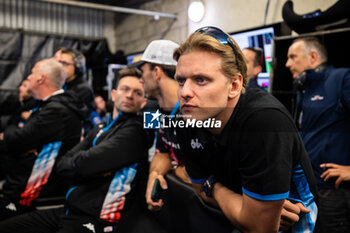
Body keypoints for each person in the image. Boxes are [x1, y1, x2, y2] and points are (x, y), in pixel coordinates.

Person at [173, 26, 318, 233]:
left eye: (201, 80)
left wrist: (212, 185)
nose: (185, 92)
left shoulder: (264, 122)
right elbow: (199, 189)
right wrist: (228, 195)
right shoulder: (185, 117)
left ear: (234, 86)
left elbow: (259, 227)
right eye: (181, 80)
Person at [0, 68, 162, 233]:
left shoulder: (136, 132)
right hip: (69, 209)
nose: (129, 95)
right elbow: (63, 164)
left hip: (96, 219)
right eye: (125, 89)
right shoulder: (102, 127)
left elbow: (84, 165)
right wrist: (87, 167)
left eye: (137, 92)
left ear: (143, 102)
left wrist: (85, 166)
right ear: (113, 94)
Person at [0, 59, 87, 220]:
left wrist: (10, 132)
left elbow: (14, 142)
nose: (29, 77)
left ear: (41, 79)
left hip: (32, 194)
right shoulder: (49, 106)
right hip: (26, 186)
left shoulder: (55, 111)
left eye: (32, 73)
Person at [285, 36, 350, 232]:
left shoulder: (341, 79)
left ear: (313, 57)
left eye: (293, 57)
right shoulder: (304, 88)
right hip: (307, 189)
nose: (287, 64)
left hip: (333, 192)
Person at [136, 40, 191, 213]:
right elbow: (162, 153)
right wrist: (155, 174)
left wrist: (172, 168)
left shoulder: (192, 110)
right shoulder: (160, 110)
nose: (141, 79)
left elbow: (195, 175)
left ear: (157, 72)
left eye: (143, 71)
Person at [53, 48, 95, 131]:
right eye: (59, 62)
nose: (60, 67)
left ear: (77, 66)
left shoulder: (83, 89)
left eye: (65, 63)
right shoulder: (64, 85)